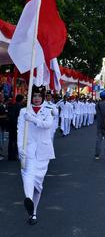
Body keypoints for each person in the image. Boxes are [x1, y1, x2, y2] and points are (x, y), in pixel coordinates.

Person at [18, 85, 55, 225]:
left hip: (43, 151)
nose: (37, 98)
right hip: (28, 149)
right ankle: (28, 199)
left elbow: (48, 125)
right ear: (30, 97)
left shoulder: (49, 110)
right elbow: (20, 131)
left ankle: (33, 213)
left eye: (39, 96)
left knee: (38, 183)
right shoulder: (23, 111)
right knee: (27, 174)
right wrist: (20, 148)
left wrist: (33, 119)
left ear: (43, 97)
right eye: (34, 96)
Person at [7, 94, 25, 161]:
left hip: (12, 126)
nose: (24, 99)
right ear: (21, 99)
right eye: (24, 98)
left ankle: (11, 155)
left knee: (12, 141)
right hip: (16, 126)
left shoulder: (13, 105)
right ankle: (14, 155)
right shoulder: (19, 107)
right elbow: (14, 117)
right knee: (16, 141)